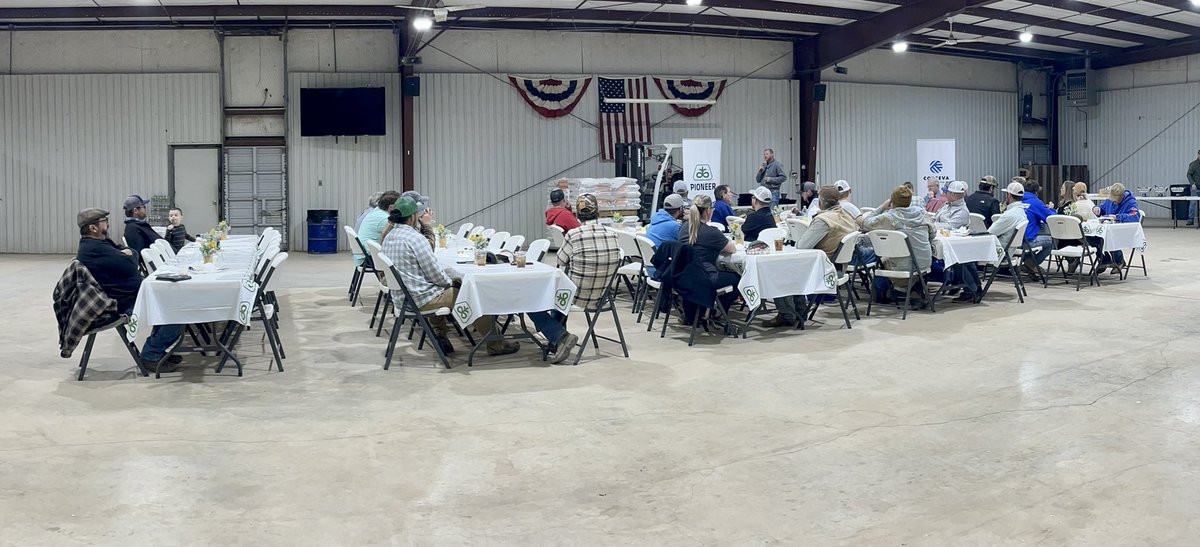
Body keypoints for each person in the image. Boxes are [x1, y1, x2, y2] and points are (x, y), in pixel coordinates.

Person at [380, 197, 518, 357]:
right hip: (420, 299)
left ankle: (440, 334)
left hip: (403, 299)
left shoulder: (389, 237)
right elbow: (435, 275)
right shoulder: (415, 239)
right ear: (412, 217)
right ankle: (496, 344)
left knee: (442, 289)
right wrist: (451, 282)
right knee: (471, 294)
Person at [76, 208, 184, 371]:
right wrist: (127, 255)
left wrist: (128, 254)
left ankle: (156, 349)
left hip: (131, 296)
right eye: (104, 221)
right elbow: (131, 263)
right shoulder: (95, 249)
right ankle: (152, 354)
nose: (107, 224)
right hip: (121, 304)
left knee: (169, 301)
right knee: (176, 308)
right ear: (93, 228)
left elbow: (132, 253)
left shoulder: (101, 243)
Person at [527, 194, 620, 363]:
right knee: (561, 294)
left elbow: (560, 261)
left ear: (577, 213)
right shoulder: (613, 235)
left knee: (532, 300)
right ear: (597, 212)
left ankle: (559, 337)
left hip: (576, 297)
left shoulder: (574, 235)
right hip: (604, 297)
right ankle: (559, 339)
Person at [763, 187, 863, 327]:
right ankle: (799, 311)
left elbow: (802, 245)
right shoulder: (847, 216)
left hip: (825, 269)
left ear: (821, 201)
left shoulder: (823, 221)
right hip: (841, 267)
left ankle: (788, 314)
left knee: (780, 270)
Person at [861, 186, 937, 306]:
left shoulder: (889, 217)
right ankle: (915, 289)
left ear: (892, 201)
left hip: (901, 266)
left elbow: (865, 223)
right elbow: (933, 234)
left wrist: (882, 206)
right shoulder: (922, 213)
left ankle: (885, 293)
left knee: (880, 259)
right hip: (923, 263)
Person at [677, 194, 740, 314]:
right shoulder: (711, 232)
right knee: (738, 278)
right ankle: (718, 312)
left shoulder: (684, 228)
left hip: (684, 277)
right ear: (708, 211)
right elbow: (732, 249)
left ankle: (702, 311)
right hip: (705, 278)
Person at [1093, 182, 1141, 274]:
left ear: (1122, 196)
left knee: (1108, 237)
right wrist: (1097, 209)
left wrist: (1118, 216)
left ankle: (1119, 261)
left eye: (1116, 200)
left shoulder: (1131, 202)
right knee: (1093, 237)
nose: (1113, 201)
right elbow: (1103, 209)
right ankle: (1104, 259)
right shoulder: (1110, 200)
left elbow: (1135, 216)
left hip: (1124, 231)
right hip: (1109, 229)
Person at [1020, 179, 1055, 280]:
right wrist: (1051, 208)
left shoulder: (1018, 200)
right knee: (1052, 242)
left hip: (1013, 241)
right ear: (1036, 191)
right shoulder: (1035, 202)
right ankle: (1030, 264)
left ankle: (1027, 262)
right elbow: (1050, 217)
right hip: (1027, 241)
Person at [355, 190, 399, 266]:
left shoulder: (376, 212)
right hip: (370, 258)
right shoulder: (384, 219)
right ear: (391, 207)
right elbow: (399, 237)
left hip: (364, 256)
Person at [1188, 149, 1200, 226]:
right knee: (1193, 203)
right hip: (1195, 188)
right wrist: (1192, 183)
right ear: (1198, 155)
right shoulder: (1193, 164)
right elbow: (1189, 174)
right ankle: (1190, 219)